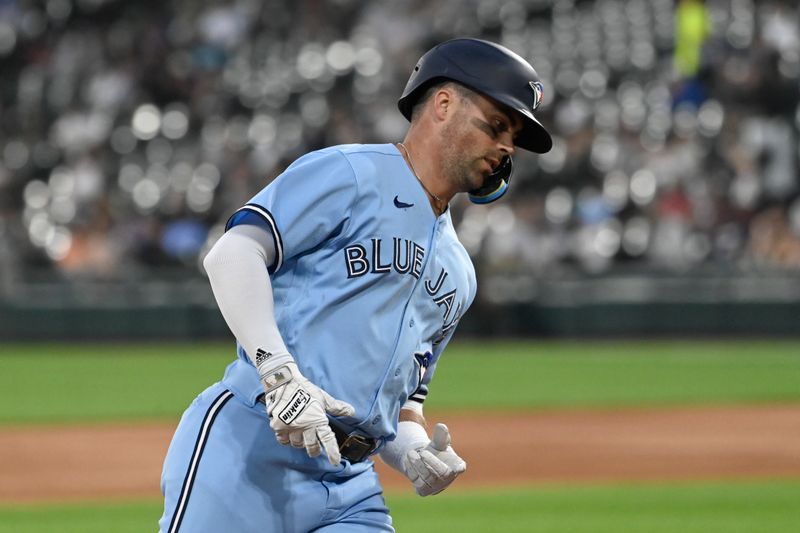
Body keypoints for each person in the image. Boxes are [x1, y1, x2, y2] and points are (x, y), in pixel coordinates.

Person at [158, 37, 552, 533]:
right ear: (443, 105)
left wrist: (411, 450)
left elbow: (406, 399)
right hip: (251, 447)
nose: (506, 147)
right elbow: (233, 253)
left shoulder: (459, 273)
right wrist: (278, 374)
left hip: (350, 484)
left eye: (513, 136)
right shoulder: (351, 173)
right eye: (497, 125)